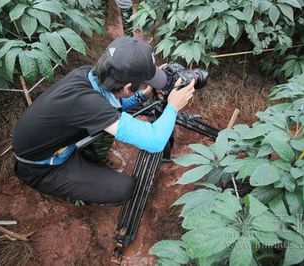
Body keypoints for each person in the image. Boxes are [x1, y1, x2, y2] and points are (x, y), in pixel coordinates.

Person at [12, 37, 195, 205]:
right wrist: (172, 107)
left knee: (107, 127)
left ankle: (89, 161)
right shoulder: (89, 105)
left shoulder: (87, 75)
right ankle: (75, 189)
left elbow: (112, 103)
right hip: (41, 168)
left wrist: (142, 95)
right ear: (127, 87)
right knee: (125, 189)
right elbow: (154, 141)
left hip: (50, 144)